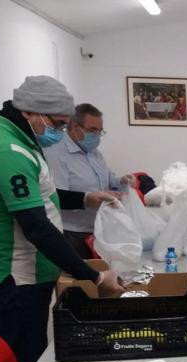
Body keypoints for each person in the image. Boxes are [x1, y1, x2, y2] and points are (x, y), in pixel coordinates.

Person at [0, 75, 125, 362]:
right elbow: (36, 227)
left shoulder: (19, 139)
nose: (60, 132)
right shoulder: (6, 151)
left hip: (30, 274)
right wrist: (93, 276)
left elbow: (41, 197)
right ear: (29, 111)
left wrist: (85, 198)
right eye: (57, 124)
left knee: (34, 351)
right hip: (13, 278)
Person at [44, 103, 136, 259]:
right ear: (73, 127)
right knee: (80, 280)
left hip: (97, 229)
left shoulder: (94, 153)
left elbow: (107, 180)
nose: (97, 136)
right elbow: (57, 197)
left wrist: (122, 181)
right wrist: (89, 199)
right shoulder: (56, 153)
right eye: (92, 130)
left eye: (100, 131)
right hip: (71, 232)